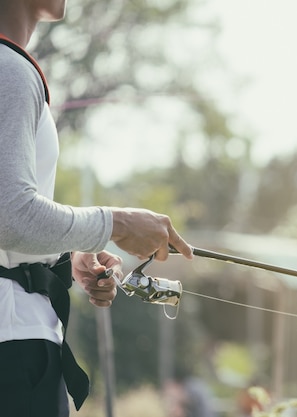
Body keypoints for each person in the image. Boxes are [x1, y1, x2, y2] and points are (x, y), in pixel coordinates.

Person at [0, 0, 194, 415]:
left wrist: (63, 256)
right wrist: (117, 223)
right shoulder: (9, 70)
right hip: (11, 350)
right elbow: (10, 215)